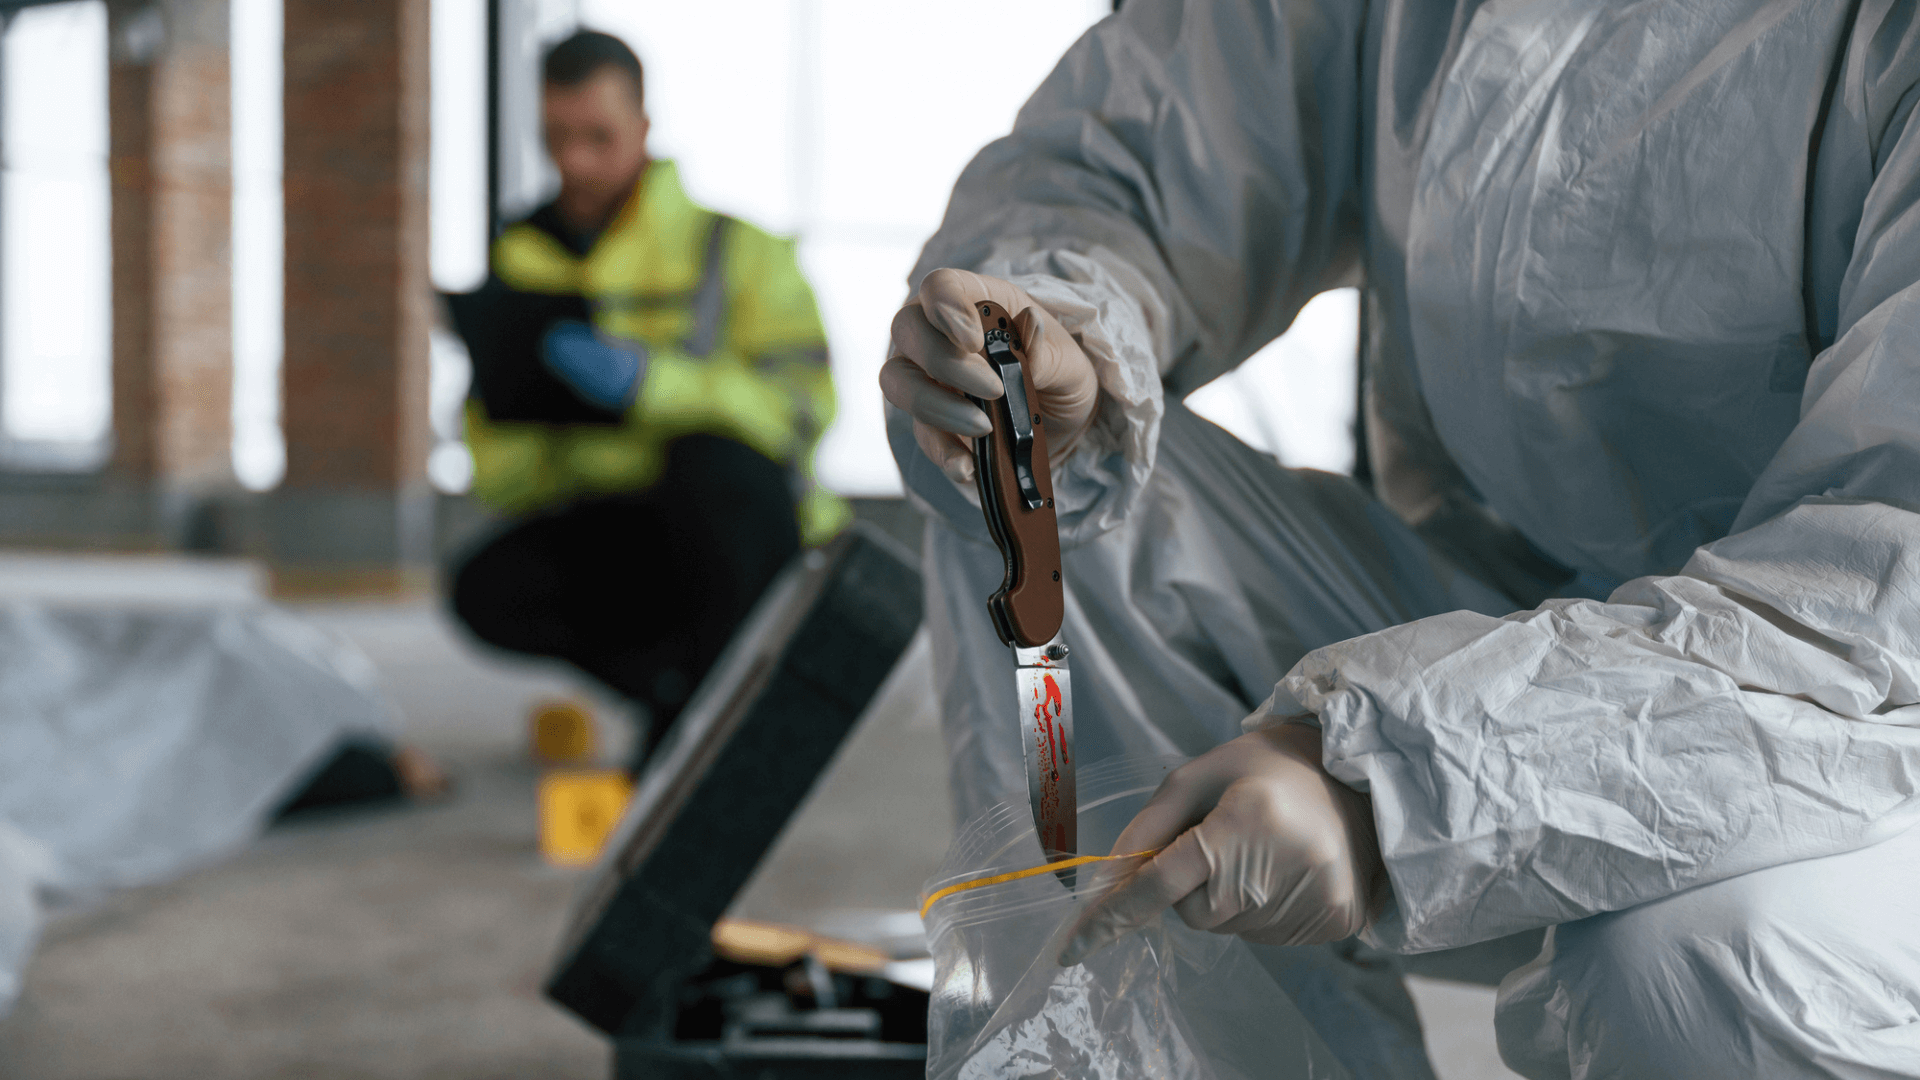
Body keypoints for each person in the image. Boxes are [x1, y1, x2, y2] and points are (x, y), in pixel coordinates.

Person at [882, 2, 1920, 1077]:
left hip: (1864, 714)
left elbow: (1878, 592)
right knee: (1052, 492)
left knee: (1696, 970)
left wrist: (1391, 775)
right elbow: (1145, 144)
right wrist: (1046, 333)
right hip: (1516, 611)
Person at [449, 30, 846, 761]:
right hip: (626, 529)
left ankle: (723, 715)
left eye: (598, 137)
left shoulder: (739, 250)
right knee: (486, 587)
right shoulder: (520, 261)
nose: (575, 162)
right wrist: (506, 403)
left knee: (712, 471)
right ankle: (684, 698)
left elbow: (802, 408)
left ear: (643, 128)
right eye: (556, 138)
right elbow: (506, 477)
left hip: (744, 532)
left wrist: (650, 386)